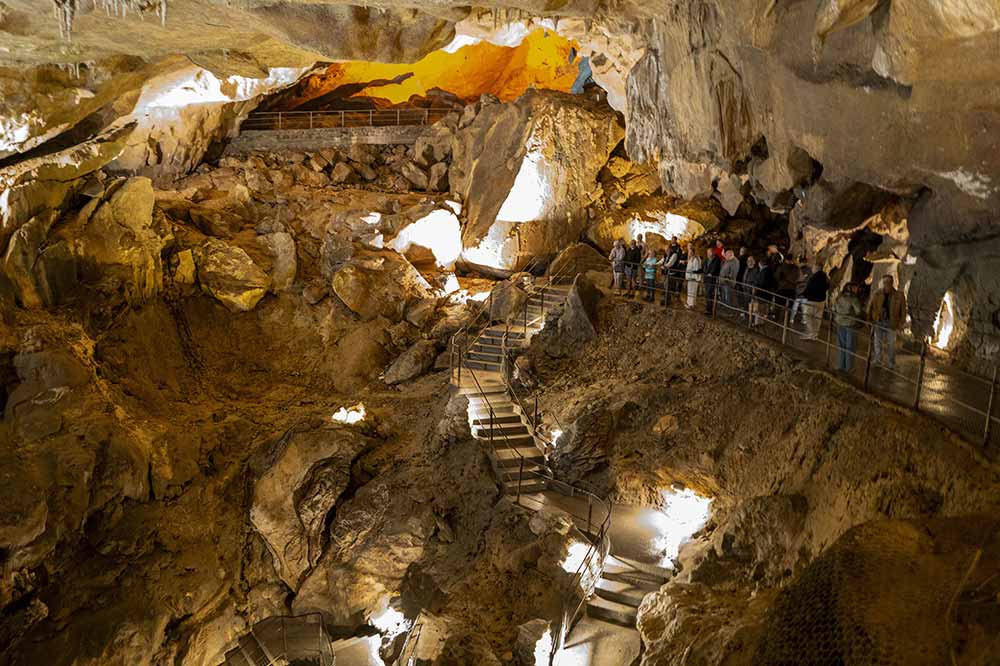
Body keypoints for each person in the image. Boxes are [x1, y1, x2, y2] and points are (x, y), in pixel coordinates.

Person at [867, 274, 907, 369]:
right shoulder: (877, 294)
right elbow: (871, 307)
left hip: (891, 323)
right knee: (877, 342)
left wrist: (901, 324)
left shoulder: (899, 296)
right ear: (883, 283)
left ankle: (891, 362)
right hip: (879, 321)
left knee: (891, 345)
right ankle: (878, 359)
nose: (887, 284)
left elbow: (903, 311)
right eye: (885, 282)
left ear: (892, 283)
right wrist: (869, 320)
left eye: (889, 282)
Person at [832, 283, 863, 371]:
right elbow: (858, 311)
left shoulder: (839, 297)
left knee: (841, 346)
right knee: (850, 346)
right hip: (850, 324)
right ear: (851, 288)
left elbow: (833, 308)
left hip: (839, 323)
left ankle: (840, 365)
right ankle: (849, 367)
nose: (857, 290)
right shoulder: (853, 299)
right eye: (855, 288)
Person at [800, 262, 829, 340]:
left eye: (813, 268)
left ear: (816, 269)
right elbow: (827, 287)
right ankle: (815, 335)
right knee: (817, 318)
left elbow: (810, 288)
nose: (812, 269)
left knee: (807, 316)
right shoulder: (825, 277)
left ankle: (810, 333)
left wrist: (803, 294)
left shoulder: (814, 278)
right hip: (821, 300)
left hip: (812, 300)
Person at [790, 256, 813, 324]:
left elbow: (796, 279)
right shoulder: (809, 270)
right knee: (803, 307)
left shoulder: (798, 269)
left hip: (799, 290)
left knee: (796, 306)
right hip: (804, 291)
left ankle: (792, 318)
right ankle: (803, 319)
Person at [662, 237, 682, 306]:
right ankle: (666, 300)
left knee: (669, 287)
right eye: (665, 250)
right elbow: (663, 259)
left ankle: (668, 301)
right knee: (666, 286)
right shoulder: (667, 253)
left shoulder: (675, 253)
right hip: (666, 272)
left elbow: (670, 263)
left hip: (672, 272)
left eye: (667, 250)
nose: (666, 252)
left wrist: (665, 266)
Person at [703, 247, 722, 315]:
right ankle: (708, 308)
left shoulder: (717, 260)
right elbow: (704, 267)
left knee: (709, 294)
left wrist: (710, 273)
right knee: (707, 294)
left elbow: (714, 269)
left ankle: (709, 310)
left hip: (712, 280)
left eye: (709, 252)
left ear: (713, 252)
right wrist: (706, 273)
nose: (708, 254)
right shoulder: (706, 259)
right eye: (707, 252)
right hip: (706, 279)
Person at [685, 244, 703, 309]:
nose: (689, 253)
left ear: (692, 252)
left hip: (693, 278)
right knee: (690, 291)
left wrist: (692, 274)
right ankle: (690, 303)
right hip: (690, 277)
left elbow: (696, 269)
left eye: (690, 251)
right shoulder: (691, 259)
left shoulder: (695, 259)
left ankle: (691, 305)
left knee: (692, 291)